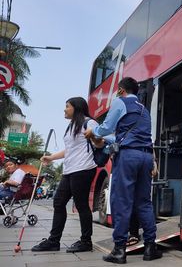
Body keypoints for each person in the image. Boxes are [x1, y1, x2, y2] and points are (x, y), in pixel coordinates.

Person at [85, 77, 161, 264]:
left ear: (120, 90)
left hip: (128, 157)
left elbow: (106, 129)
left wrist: (92, 132)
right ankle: (150, 247)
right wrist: (153, 160)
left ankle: (119, 250)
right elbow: (138, 136)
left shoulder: (120, 101)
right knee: (144, 202)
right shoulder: (144, 109)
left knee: (121, 201)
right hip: (145, 156)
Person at [31, 97, 98, 253]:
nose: (64, 109)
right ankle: (54, 241)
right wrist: (52, 157)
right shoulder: (71, 126)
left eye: (67, 106)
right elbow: (70, 150)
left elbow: (99, 143)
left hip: (83, 169)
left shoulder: (90, 123)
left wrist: (95, 136)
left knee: (81, 205)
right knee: (59, 202)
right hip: (69, 170)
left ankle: (86, 242)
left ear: (76, 108)